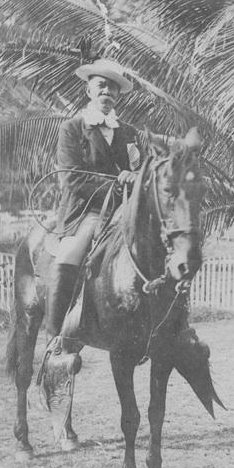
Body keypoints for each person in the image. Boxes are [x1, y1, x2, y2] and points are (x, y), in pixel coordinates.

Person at [46, 58, 147, 344]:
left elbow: (141, 167)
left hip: (126, 209)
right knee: (68, 256)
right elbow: (72, 179)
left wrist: (134, 175)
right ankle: (54, 342)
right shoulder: (72, 128)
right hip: (86, 210)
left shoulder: (128, 132)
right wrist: (117, 182)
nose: (107, 92)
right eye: (101, 86)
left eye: (113, 88)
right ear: (89, 90)